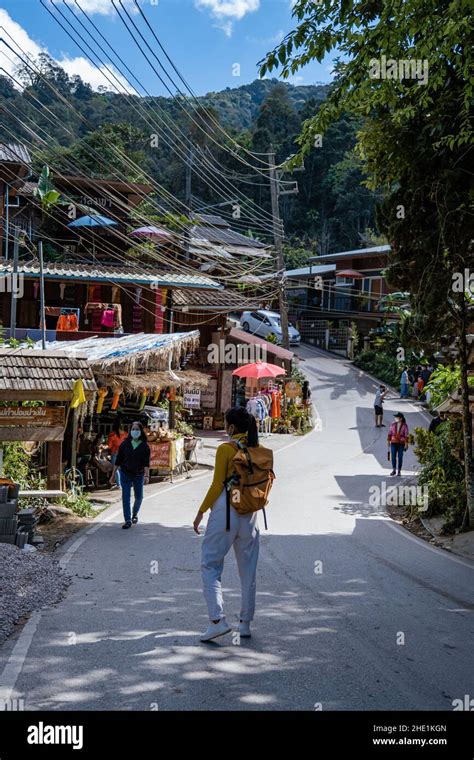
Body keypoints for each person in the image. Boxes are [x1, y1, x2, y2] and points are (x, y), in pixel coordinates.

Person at [193, 407, 261, 643]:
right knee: (248, 570)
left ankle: (217, 621)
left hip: (226, 510)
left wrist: (201, 512)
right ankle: (245, 624)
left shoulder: (226, 449)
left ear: (231, 427)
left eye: (225, 423)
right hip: (250, 513)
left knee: (210, 565)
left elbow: (216, 485)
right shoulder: (257, 449)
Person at [110, 421, 150, 529]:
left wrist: (146, 476)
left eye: (137, 429)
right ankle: (127, 520)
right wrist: (113, 475)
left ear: (141, 431)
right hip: (125, 473)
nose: (135, 431)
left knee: (139, 497)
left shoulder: (145, 446)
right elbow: (118, 461)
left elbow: (146, 463)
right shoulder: (124, 444)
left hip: (138, 474)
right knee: (125, 497)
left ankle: (135, 513)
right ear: (130, 431)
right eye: (133, 429)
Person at [387, 412, 409, 476]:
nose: (396, 418)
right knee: (393, 456)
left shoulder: (405, 426)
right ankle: (394, 470)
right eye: (395, 417)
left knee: (400, 457)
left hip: (401, 444)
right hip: (393, 442)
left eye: (397, 417)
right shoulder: (393, 424)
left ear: (401, 418)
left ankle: (399, 471)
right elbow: (390, 433)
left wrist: (406, 444)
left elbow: (406, 435)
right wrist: (388, 441)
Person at [107, 420, 127, 488]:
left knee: (116, 469)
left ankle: (119, 484)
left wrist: (103, 446)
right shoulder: (125, 434)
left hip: (115, 453)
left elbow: (109, 446)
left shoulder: (112, 434)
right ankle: (122, 483)